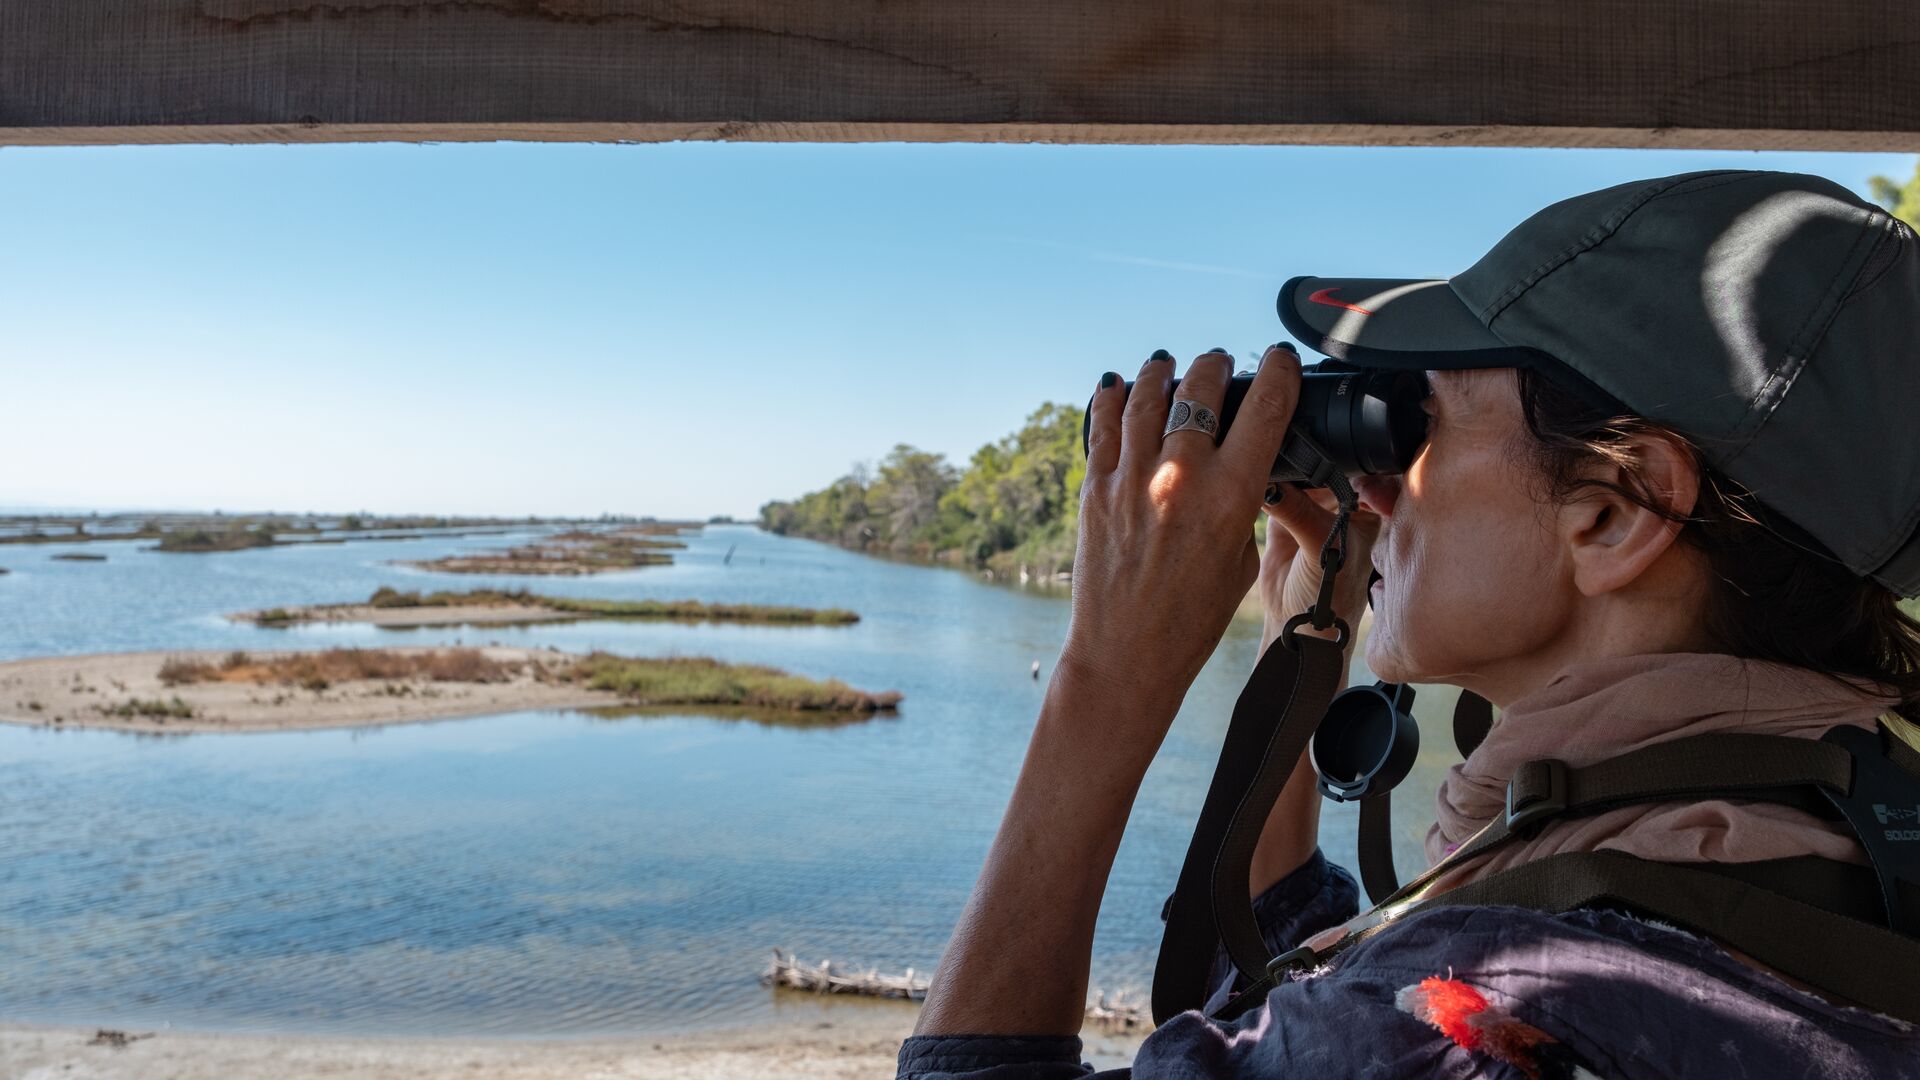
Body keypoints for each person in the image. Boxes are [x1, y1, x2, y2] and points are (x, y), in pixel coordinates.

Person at [898, 170, 1920, 1078]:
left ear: (1614, 513)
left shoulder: (1478, 1013)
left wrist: (1105, 679)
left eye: (1422, 422)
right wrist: (1297, 645)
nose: (1378, 489)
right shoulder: (1830, 836)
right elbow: (1289, 990)